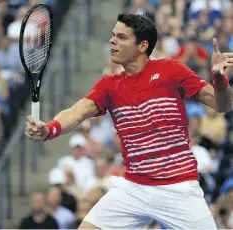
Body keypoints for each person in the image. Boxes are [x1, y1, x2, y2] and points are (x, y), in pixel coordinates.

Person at [25, 13, 233, 229]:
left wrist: (219, 78)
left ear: (142, 45)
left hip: (179, 187)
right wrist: (50, 129)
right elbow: (77, 112)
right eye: (113, 35)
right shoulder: (109, 85)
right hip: (134, 187)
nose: (112, 41)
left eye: (121, 37)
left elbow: (223, 105)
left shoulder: (170, 70)